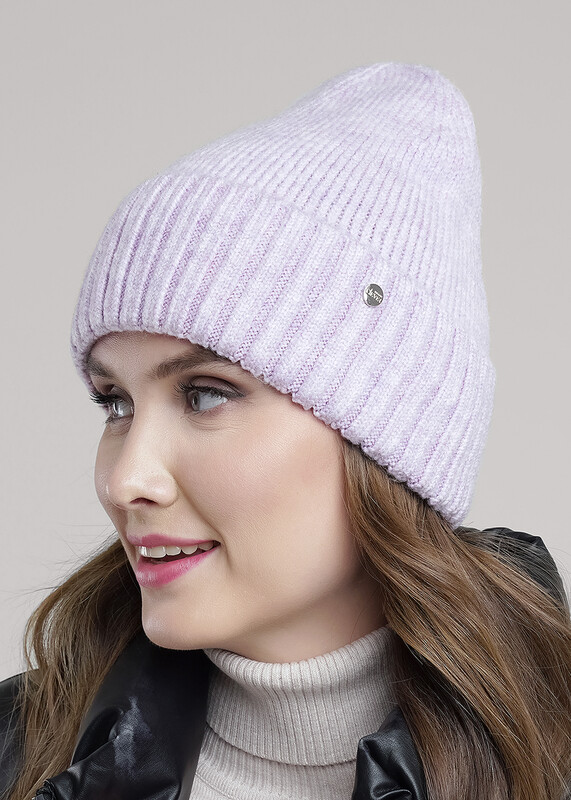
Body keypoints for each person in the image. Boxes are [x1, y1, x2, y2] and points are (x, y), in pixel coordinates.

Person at [1, 63, 570, 800]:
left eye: (205, 394)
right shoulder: (20, 749)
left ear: (382, 440)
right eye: (115, 403)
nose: (124, 479)